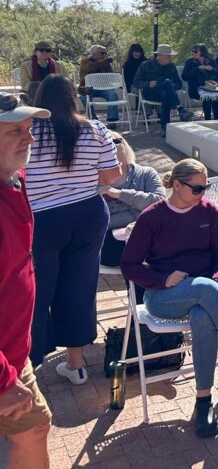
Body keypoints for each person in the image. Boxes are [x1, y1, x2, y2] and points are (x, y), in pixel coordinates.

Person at [120, 159, 218, 437]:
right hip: (165, 296)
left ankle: (203, 401)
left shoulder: (207, 211)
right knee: (204, 290)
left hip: (208, 291)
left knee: (203, 312)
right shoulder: (152, 218)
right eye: (197, 188)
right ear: (176, 185)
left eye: (206, 187)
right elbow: (129, 265)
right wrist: (162, 280)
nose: (203, 193)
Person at [25, 76, 121, 380]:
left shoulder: (29, 130)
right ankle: (76, 363)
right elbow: (112, 175)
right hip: (87, 214)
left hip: (42, 219)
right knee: (79, 286)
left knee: (36, 291)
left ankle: (33, 362)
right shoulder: (94, 129)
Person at [0, 94, 53, 469]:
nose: (30, 139)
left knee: (32, 429)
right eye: (16, 131)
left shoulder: (13, 181)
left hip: (12, 350)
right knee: (32, 429)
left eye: (30, 129)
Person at [98, 132, 165, 268]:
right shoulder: (93, 182)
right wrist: (138, 212)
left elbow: (160, 203)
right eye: (106, 143)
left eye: (117, 141)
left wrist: (118, 193)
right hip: (110, 242)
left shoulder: (145, 174)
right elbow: (95, 223)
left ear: (125, 145)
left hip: (146, 235)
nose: (113, 145)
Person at [133, 44, 192, 136]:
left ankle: (164, 128)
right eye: (168, 56)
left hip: (166, 93)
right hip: (150, 93)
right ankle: (180, 109)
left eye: (170, 56)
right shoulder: (146, 65)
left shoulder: (171, 66)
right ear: (159, 56)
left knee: (166, 92)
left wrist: (172, 86)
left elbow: (178, 84)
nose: (170, 58)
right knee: (167, 84)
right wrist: (148, 84)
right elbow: (136, 82)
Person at [77, 44, 121, 127]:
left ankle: (112, 119)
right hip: (89, 89)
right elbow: (91, 68)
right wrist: (107, 61)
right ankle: (94, 120)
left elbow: (110, 75)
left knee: (113, 94)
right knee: (84, 98)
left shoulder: (106, 63)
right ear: (93, 53)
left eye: (105, 53)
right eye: (102, 53)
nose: (104, 55)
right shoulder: (85, 61)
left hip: (104, 88)